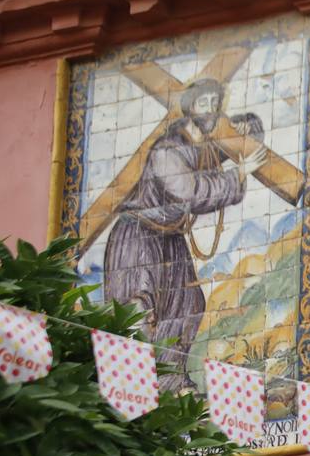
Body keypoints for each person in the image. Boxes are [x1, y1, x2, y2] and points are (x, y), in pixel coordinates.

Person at [101, 78, 267, 392]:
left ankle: (170, 380)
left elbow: (218, 155)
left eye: (215, 104)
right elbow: (189, 191)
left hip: (169, 238)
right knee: (137, 308)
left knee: (189, 304)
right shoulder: (167, 151)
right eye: (203, 103)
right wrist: (238, 176)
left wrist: (250, 129)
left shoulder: (199, 149)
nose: (210, 110)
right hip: (138, 236)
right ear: (190, 107)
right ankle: (131, 387)